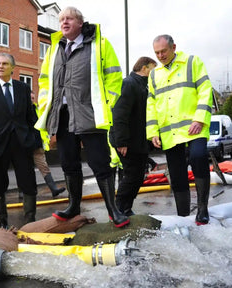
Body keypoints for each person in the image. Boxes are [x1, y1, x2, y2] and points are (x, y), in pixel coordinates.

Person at [35, 6, 129, 228]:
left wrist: (107, 103)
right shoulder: (54, 49)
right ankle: (73, 207)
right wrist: (45, 111)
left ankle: (113, 210)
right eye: (61, 20)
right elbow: (44, 82)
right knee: (68, 163)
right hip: (63, 114)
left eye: (68, 19)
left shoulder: (99, 44)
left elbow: (114, 77)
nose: (64, 23)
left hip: (91, 112)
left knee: (100, 163)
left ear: (80, 22)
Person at [146, 34, 213, 225]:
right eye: (156, 53)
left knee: (198, 157)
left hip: (194, 127)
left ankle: (202, 209)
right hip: (169, 132)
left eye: (163, 51)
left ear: (173, 47)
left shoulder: (192, 63)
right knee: (176, 174)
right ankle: (183, 216)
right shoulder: (154, 74)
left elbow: (205, 91)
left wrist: (199, 119)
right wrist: (152, 133)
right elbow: (151, 104)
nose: (160, 56)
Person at [0, 52, 38, 229]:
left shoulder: (23, 88)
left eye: (4, 63)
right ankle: (2, 223)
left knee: (28, 182)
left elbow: (30, 116)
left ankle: (30, 222)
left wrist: (34, 139)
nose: (0, 66)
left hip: (22, 143)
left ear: (12, 67)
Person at [110, 56, 157, 216]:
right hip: (128, 142)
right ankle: (118, 209)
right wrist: (121, 141)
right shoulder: (129, 84)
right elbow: (119, 114)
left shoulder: (142, 86)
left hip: (138, 142)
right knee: (131, 176)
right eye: (153, 69)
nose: (155, 73)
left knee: (137, 177)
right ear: (144, 68)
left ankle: (126, 208)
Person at [30, 91, 65, 198]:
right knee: (26, 169)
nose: (32, 99)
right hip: (25, 145)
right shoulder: (22, 109)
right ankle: (24, 192)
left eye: (33, 97)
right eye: (30, 97)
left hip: (37, 145)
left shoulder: (36, 109)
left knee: (44, 167)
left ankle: (53, 189)